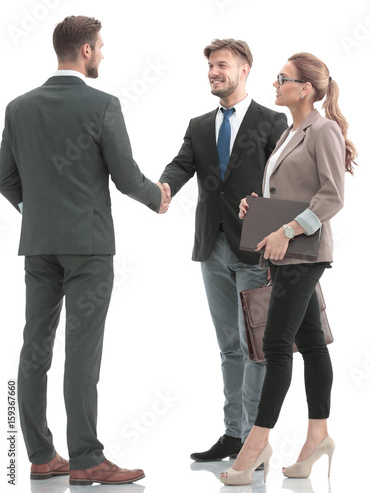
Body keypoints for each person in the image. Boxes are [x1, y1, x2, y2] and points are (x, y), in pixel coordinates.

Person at [0, 15, 170, 486]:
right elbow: (126, 175)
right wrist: (159, 197)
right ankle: (86, 459)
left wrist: (37, 216)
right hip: (89, 247)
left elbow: (5, 178)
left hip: (39, 246)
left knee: (35, 346)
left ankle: (39, 456)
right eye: (102, 46)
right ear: (88, 51)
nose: (104, 53)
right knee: (82, 351)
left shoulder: (18, 107)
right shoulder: (103, 104)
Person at [220, 52, 357, 485]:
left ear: (306, 89)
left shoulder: (324, 130)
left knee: (276, 346)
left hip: (304, 254)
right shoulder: (289, 133)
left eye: (283, 78)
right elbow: (288, 190)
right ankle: (319, 435)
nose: (274, 84)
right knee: (312, 342)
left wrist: (288, 231)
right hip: (282, 254)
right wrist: (256, 206)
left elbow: (333, 196)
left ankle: (256, 444)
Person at [158, 39, 288, 461]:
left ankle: (255, 436)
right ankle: (234, 432)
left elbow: (285, 179)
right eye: (210, 67)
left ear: (244, 68)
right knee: (229, 345)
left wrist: (273, 228)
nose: (214, 73)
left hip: (256, 243)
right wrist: (163, 188)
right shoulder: (199, 124)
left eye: (221, 65)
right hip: (211, 245)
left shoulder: (272, 120)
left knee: (257, 346)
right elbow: (181, 165)